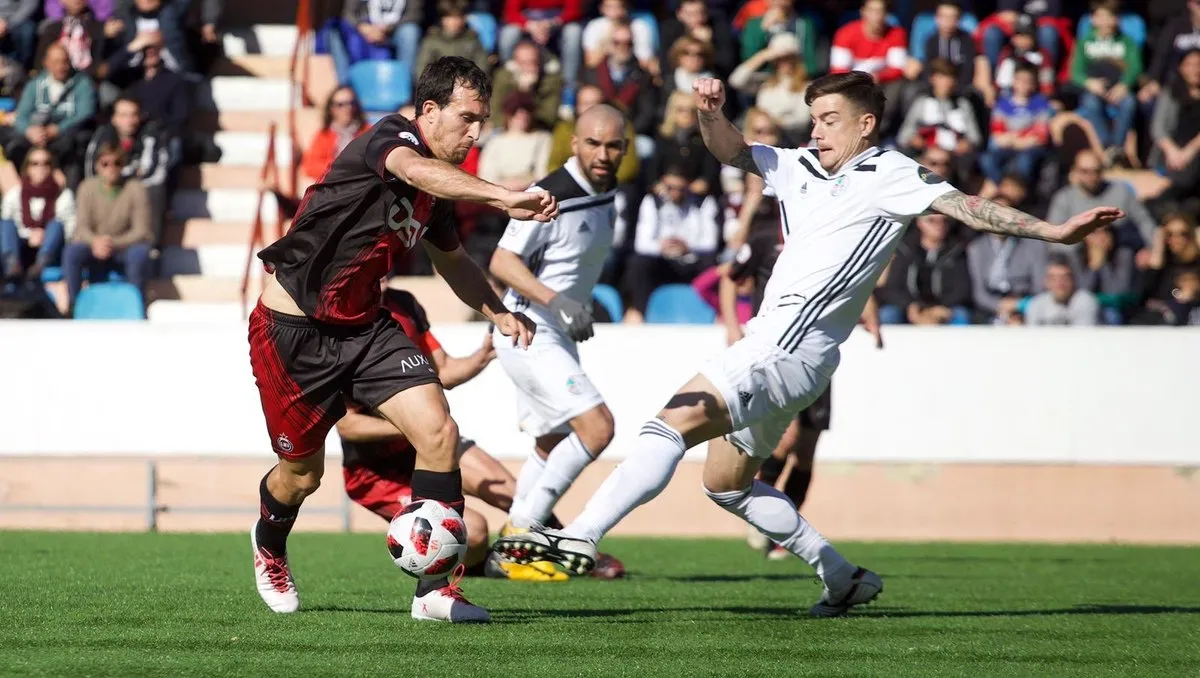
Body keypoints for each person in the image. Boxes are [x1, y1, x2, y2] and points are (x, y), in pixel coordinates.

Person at [492, 72, 1122, 616]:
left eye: (829, 120)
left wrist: (1053, 232)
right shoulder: (797, 167)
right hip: (792, 356)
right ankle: (842, 577)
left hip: (784, 348)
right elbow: (732, 151)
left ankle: (580, 536)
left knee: (667, 425)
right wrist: (711, 114)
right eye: (814, 118)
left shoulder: (891, 173)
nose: (816, 131)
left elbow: (968, 207)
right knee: (727, 484)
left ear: (865, 124)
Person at [247, 57, 557, 624]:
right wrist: (503, 196)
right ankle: (269, 544)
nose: (476, 133)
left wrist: (497, 311)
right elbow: (412, 170)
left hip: (365, 327)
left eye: (482, 121)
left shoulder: (438, 190)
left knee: (439, 432)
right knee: (302, 476)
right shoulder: (390, 140)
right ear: (429, 110)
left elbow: (453, 261)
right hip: (292, 334)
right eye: (467, 119)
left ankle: (435, 591)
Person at [338, 285, 626, 581]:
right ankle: (489, 563)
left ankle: (565, 549)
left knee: (512, 493)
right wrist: (416, 425)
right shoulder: (343, 318)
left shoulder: (404, 303)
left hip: (427, 443)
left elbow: (442, 370)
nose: (383, 271)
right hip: (375, 473)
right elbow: (349, 425)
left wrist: (483, 355)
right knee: (473, 533)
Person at [487, 103, 626, 535]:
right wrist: (558, 301)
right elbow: (502, 261)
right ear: (574, 143)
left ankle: (512, 547)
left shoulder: (608, 191)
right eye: (593, 143)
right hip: (528, 329)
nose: (602, 154)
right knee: (597, 428)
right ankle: (524, 533)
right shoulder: (550, 194)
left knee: (552, 442)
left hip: (556, 333)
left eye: (613, 146)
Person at [1023, 254, 1100, 325]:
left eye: (1064, 278)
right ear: (1046, 281)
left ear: (1073, 279)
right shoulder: (1036, 304)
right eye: (1053, 278)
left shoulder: (1086, 301)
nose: (1059, 283)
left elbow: (1082, 335)